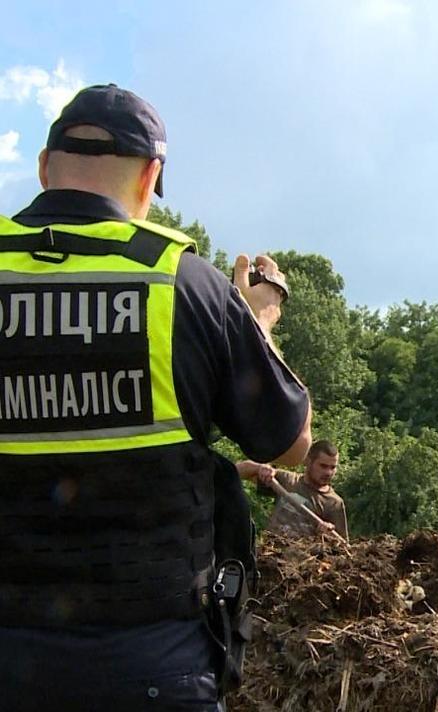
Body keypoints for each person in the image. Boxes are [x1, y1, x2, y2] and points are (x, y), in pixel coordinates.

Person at [0, 84, 312, 711]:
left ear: (43, 167)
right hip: (153, 664)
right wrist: (259, 323)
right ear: (150, 176)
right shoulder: (184, 284)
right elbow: (291, 445)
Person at [238, 440, 349, 541]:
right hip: (270, 554)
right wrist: (260, 468)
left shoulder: (334, 503)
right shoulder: (287, 480)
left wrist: (328, 537)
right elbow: (238, 471)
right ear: (308, 461)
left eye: (333, 467)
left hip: (302, 560)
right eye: (323, 466)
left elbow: (342, 549)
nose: (328, 473)